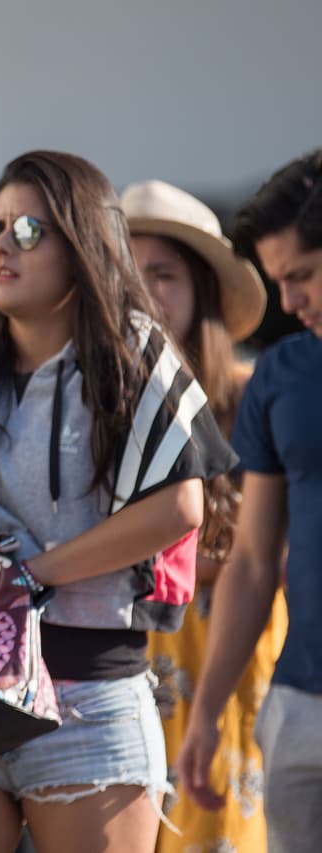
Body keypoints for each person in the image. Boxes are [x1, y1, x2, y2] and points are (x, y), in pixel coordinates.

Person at [0, 151, 235, 853]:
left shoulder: (136, 355)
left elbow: (181, 506)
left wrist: (39, 570)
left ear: (84, 245)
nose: (1, 245)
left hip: (91, 693)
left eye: (28, 230)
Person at [122, 179, 287, 853]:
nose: (145, 292)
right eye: (128, 275)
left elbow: (274, 551)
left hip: (235, 655)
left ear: (203, 293)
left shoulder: (256, 394)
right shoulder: (86, 400)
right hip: (127, 665)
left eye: (164, 274)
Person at [177, 150, 322, 853]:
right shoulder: (282, 378)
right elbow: (255, 560)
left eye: (302, 276)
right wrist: (205, 713)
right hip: (299, 707)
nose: (290, 302)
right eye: (279, 281)